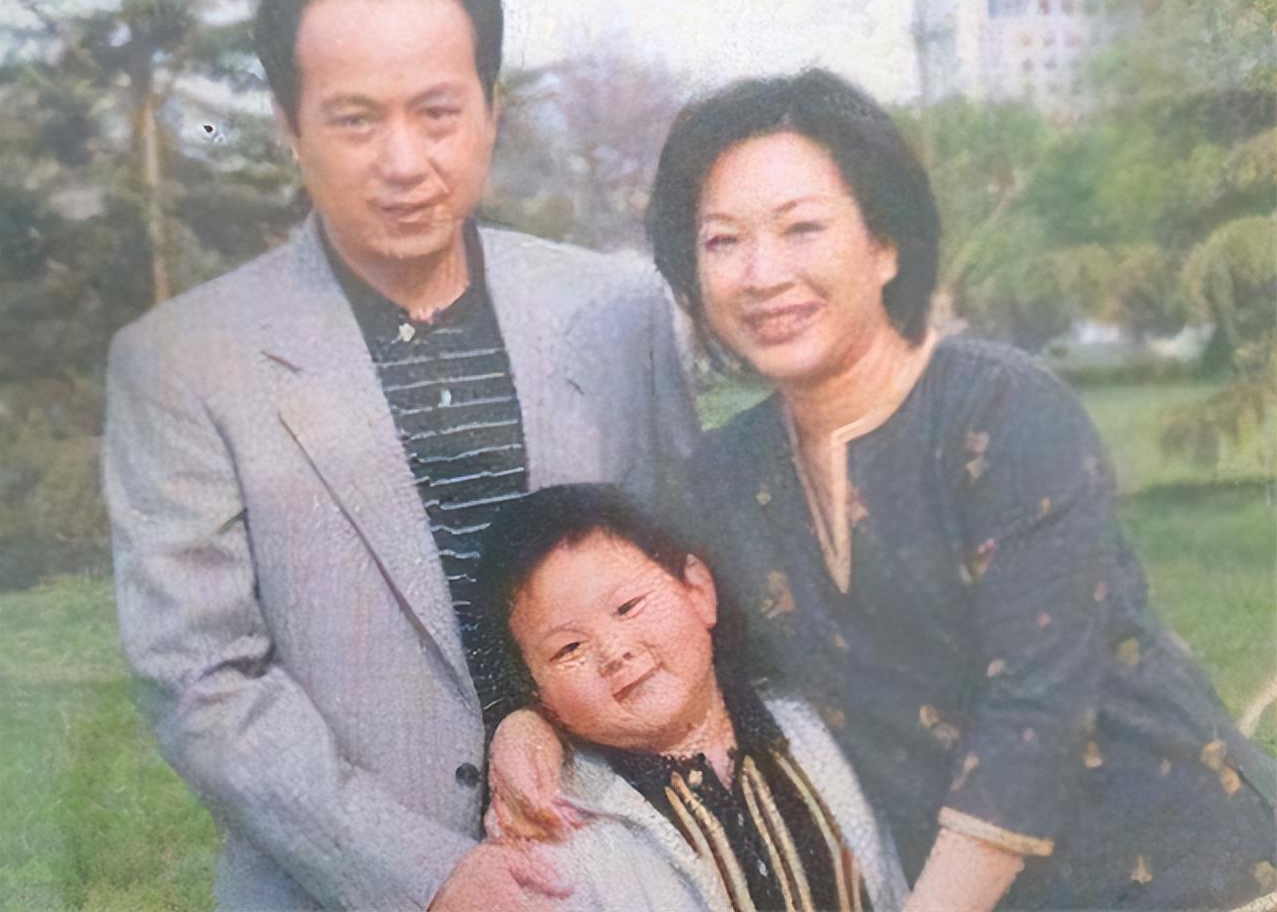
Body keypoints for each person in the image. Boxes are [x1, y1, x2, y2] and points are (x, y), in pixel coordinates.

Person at [490, 69, 1277, 910]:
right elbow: (643, 623)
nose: (762, 273)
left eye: (801, 228)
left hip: (1201, 875)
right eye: (722, 242)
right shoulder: (724, 478)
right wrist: (528, 722)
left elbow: (1036, 719)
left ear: (885, 244)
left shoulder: (1002, 411)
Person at [101, 0, 695, 908]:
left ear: (490, 110)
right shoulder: (183, 360)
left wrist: (549, 718)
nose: (405, 162)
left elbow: (688, 584)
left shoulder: (617, 311)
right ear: (290, 126)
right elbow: (202, 682)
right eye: (355, 119)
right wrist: (427, 875)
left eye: (438, 112)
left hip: (630, 868)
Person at [460, 483, 909, 912]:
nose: (614, 652)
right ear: (537, 696)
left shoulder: (821, 731)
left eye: (628, 607)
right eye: (569, 649)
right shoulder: (548, 822)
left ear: (698, 589)